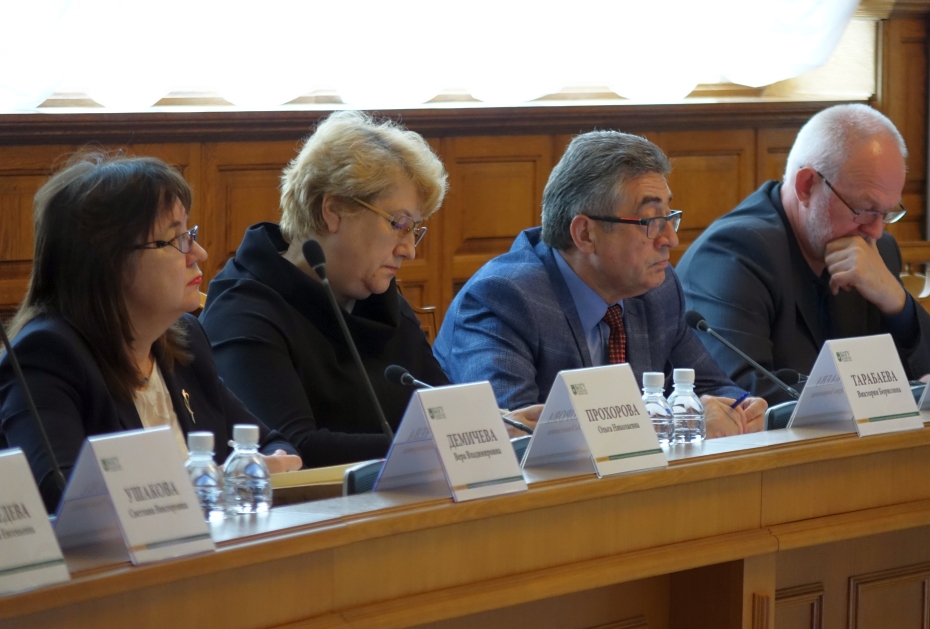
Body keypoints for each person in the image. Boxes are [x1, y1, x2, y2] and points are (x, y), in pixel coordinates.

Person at [200, 112, 540, 469]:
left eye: (415, 230)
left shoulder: (380, 298)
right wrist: (461, 438)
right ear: (332, 211)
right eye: (398, 224)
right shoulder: (242, 311)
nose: (409, 250)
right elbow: (294, 452)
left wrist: (499, 424)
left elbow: (441, 408)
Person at [0, 154, 301, 512]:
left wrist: (265, 465)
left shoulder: (184, 340)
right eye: (176, 239)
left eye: (190, 234)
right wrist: (218, 481)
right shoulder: (46, 356)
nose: (200, 253)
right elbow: (61, 494)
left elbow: (273, 445)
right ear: (109, 261)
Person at [433, 130, 767, 438]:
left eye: (669, 217)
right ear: (585, 234)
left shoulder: (658, 290)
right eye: (651, 221)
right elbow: (518, 436)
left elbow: (716, 391)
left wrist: (742, 412)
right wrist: (685, 421)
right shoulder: (503, 299)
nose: (671, 239)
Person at [675, 104, 930, 406]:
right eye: (864, 210)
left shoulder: (875, 252)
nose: (876, 230)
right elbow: (739, 394)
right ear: (806, 186)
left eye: (887, 212)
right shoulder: (732, 253)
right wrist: (894, 394)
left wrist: (897, 302)